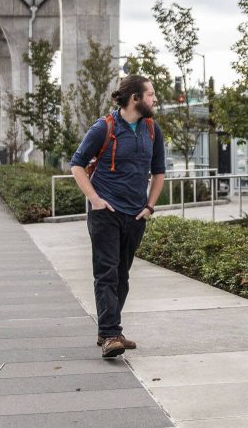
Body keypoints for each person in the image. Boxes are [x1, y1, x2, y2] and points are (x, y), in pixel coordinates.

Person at [69, 74, 165, 358]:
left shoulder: (151, 130)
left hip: (135, 216)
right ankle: (112, 334)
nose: (154, 99)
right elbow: (77, 164)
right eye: (150, 94)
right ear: (135, 98)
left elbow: (159, 172)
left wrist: (149, 207)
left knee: (122, 276)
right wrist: (95, 200)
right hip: (106, 214)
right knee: (107, 273)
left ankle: (108, 331)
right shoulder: (104, 127)